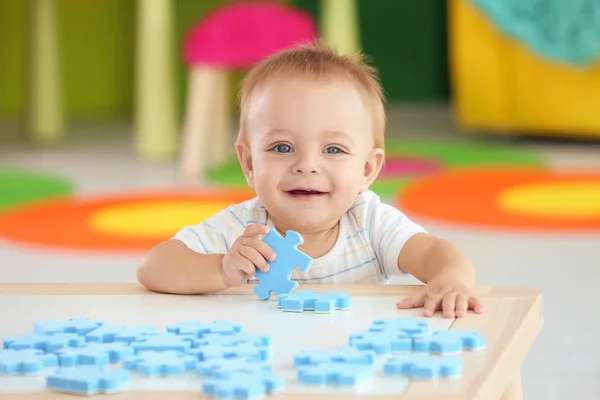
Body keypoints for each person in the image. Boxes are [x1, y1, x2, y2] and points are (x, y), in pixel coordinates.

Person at [137, 42, 484, 319]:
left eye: (333, 149)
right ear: (248, 162)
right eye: (282, 147)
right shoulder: (244, 230)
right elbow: (153, 268)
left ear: (367, 170)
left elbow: (436, 253)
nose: (306, 165)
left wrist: (451, 280)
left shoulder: (369, 223)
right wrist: (222, 269)